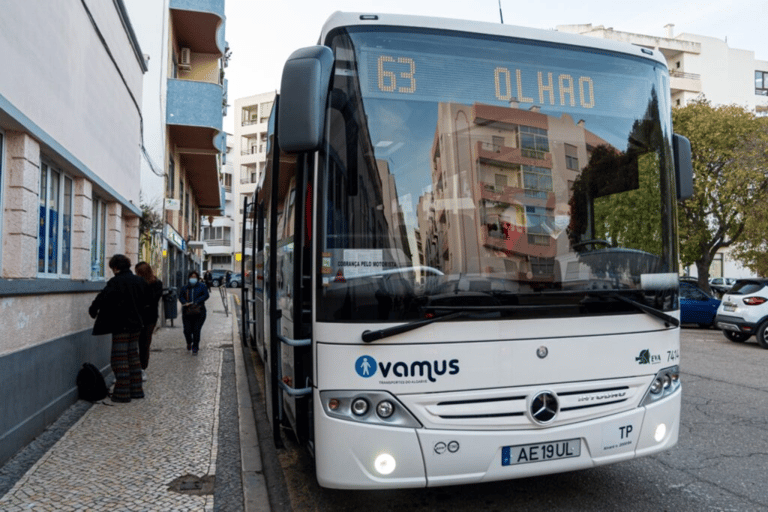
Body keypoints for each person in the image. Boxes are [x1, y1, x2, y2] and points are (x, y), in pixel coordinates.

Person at [89, 254, 148, 403]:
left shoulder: (115, 282)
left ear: (115, 267)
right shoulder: (139, 281)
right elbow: (146, 301)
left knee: (119, 359)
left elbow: (102, 298)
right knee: (133, 357)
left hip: (121, 326)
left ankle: (122, 394)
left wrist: (93, 310)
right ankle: (136, 390)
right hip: (136, 325)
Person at [135, 261, 163, 381]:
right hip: (137, 317)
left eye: (138, 273)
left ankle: (142, 368)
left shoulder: (157, 284)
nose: (136, 275)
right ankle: (133, 368)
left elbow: (152, 299)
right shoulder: (136, 283)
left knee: (145, 344)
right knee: (133, 344)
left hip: (150, 318)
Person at [178, 270, 210, 354]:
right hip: (187, 312)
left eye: (195, 277)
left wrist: (197, 301)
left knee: (196, 330)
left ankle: (195, 347)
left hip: (199, 312)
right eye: (191, 277)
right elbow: (180, 296)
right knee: (187, 330)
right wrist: (185, 302)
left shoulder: (202, 286)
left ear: (197, 278)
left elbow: (206, 295)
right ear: (189, 278)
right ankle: (189, 342)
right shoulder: (185, 287)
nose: (193, 278)